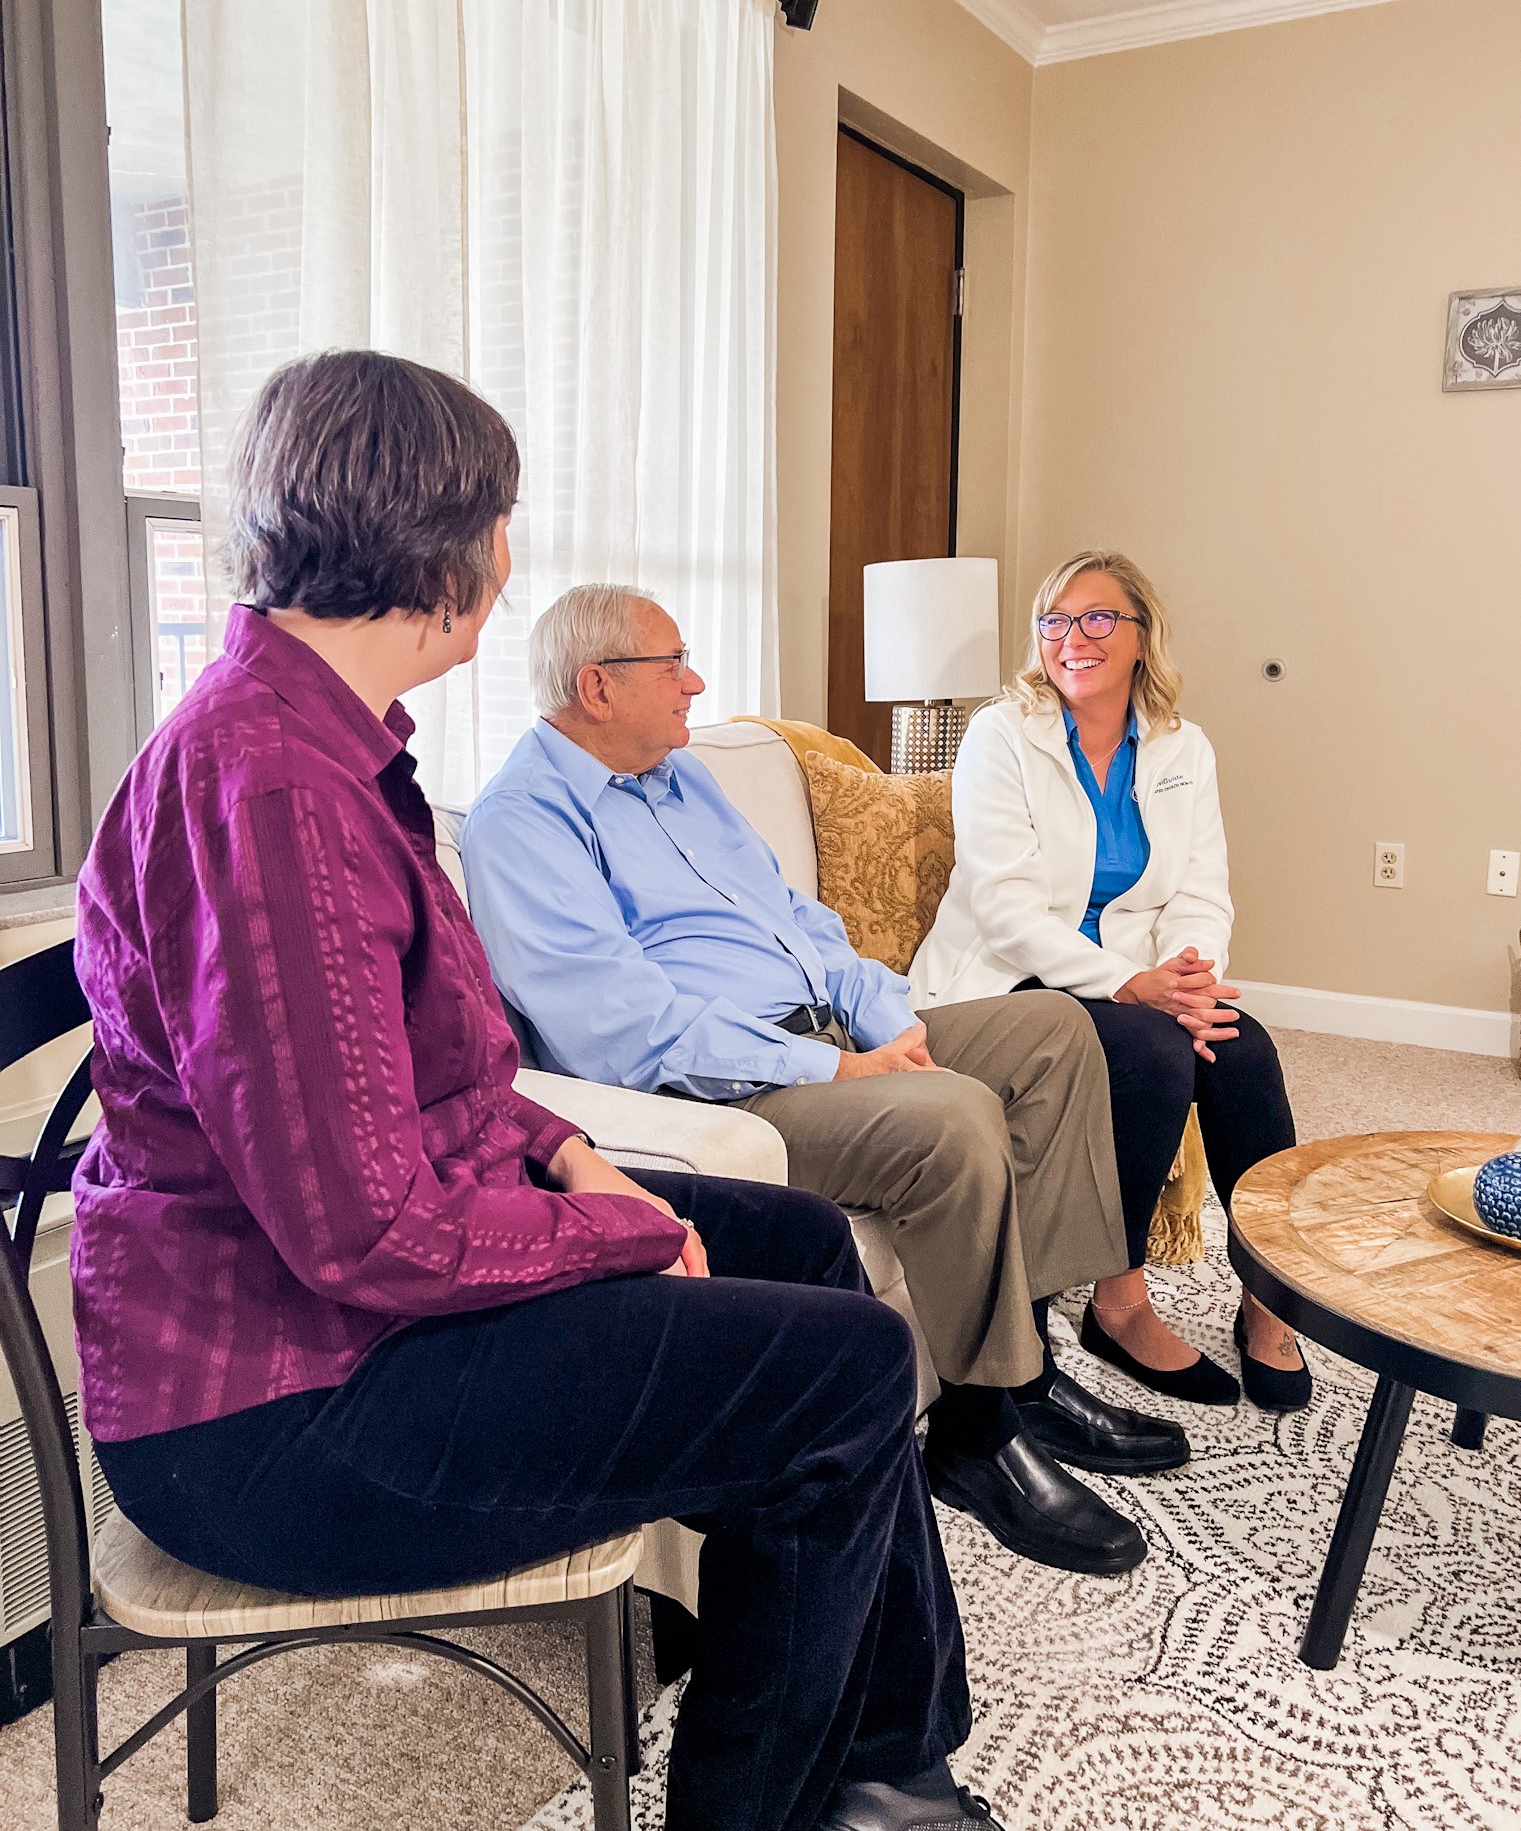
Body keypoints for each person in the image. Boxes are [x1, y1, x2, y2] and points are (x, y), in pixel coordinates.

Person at [70, 350, 1010, 1831]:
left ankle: (884, 1759)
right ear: (448, 549)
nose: (512, 553)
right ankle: (777, 1800)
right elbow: (366, 1234)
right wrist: (627, 1236)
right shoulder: (273, 797)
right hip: (277, 1409)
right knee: (839, 1375)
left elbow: (442, 1071)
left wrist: (574, 1161)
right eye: (503, 518)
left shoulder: (321, 743)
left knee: (807, 1248)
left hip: (344, 1321)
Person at [462, 584, 1193, 1590]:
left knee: (1058, 1035)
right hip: (729, 1091)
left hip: (838, 1034)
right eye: (674, 662)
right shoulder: (522, 823)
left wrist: (886, 1017)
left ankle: (1027, 1366)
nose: (697, 682)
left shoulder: (681, 779)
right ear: (597, 685)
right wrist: (838, 1065)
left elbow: (803, 926)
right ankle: (980, 1432)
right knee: (956, 1119)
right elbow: (623, 1030)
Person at [908, 550, 1310, 1414]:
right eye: (1055, 620)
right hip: (1013, 979)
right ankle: (1118, 1304)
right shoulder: (1000, 735)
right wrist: (1132, 984)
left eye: (1098, 618)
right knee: (1151, 1056)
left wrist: (1191, 977)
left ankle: (1269, 1304)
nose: (1073, 638)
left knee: (1244, 1053)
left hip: (1143, 982)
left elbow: (1201, 888)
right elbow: (1005, 907)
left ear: (1140, 637)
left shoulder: (1181, 746)